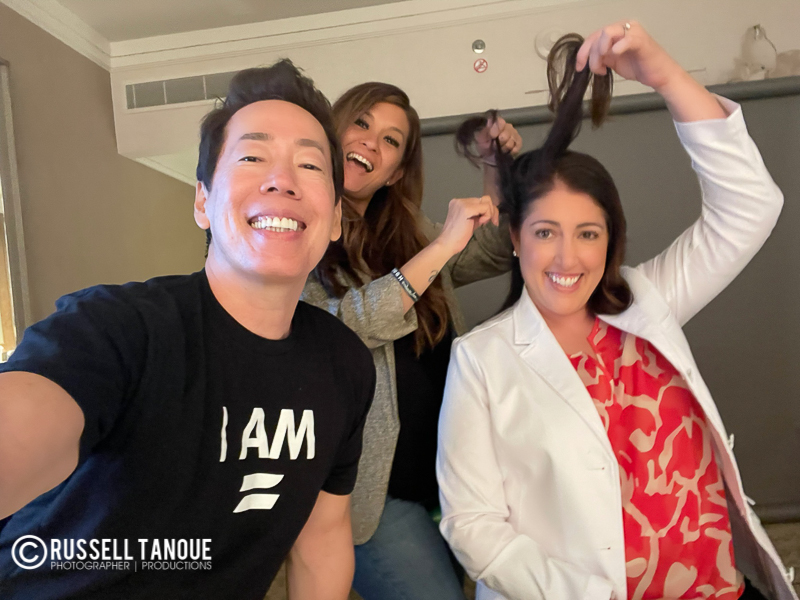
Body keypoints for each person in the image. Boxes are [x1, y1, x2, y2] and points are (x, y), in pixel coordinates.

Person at [437, 22, 796, 600]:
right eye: (546, 232)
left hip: (714, 587)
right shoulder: (482, 360)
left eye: (588, 233)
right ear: (515, 238)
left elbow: (751, 206)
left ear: (611, 240)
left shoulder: (647, 302)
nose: (567, 257)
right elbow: (472, 524)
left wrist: (663, 74)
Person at [0, 60, 375, 600]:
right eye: (252, 157)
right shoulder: (120, 328)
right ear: (203, 201)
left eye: (310, 165)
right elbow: (24, 425)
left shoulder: (344, 364)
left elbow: (322, 538)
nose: (282, 180)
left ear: (336, 217)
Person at [301, 82, 522, 599]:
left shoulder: (407, 231)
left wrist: (494, 168)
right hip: (372, 494)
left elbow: (492, 251)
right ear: (331, 130)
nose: (371, 142)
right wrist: (440, 248)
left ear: (396, 171)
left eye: (391, 140)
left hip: (450, 472)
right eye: (361, 123)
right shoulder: (295, 228)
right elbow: (337, 329)